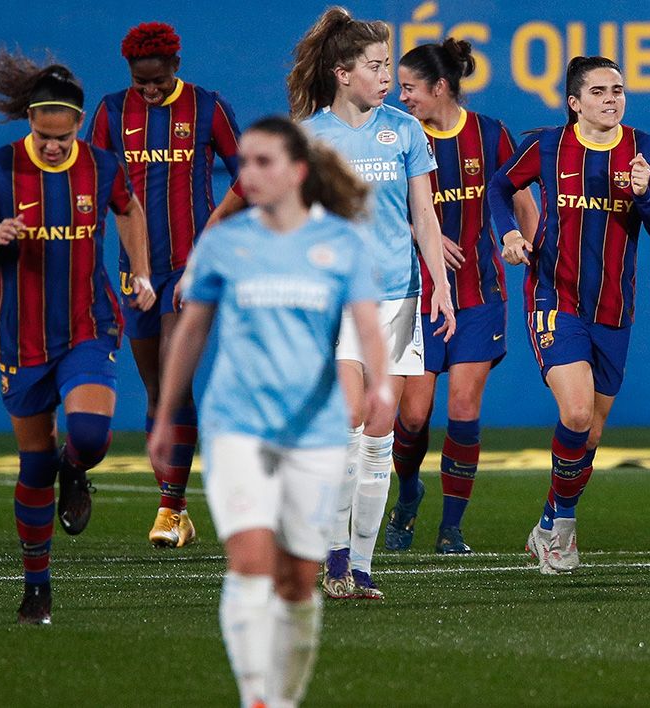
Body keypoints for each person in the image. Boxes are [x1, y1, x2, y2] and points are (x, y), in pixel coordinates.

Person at [149, 116, 387, 707]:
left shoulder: (343, 243)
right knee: (252, 561)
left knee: (298, 581)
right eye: (243, 162)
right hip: (238, 424)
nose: (247, 174)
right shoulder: (224, 244)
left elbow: (366, 326)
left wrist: (381, 385)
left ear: (298, 172)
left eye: (262, 162)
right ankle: (258, 696)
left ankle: (283, 694)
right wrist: (164, 414)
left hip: (314, 429)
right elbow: (191, 332)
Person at [0, 49, 156, 624]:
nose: (51, 146)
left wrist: (140, 272)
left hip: (89, 326)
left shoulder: (100, 166)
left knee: (90, 435)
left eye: (62, 138)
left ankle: (79, 469)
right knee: (33, 466)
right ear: (31, 122)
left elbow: (131, 209)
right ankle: (36, 586)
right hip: (21, 340)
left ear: (76, 125)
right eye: (43, 136)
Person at [288, 6, 457, 600]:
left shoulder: (405, 131)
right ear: (341, 73)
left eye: (389, 66)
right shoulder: (311, 137)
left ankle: (359, 566)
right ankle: (332, 555)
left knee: (383, 429)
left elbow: (425, 217)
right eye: (376, 66)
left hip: (399, 298)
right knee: (349, 420)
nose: (387, 77)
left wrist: (440, 286)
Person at [489, 55, 650, 575]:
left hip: (614, 309)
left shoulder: (646, 150)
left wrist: (642, 197)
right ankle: (565, 524)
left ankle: (548, 518)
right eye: (598, 91)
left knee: (590, 434)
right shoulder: (547, 145)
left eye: (618, 89)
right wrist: (508, 233)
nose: (611, 98)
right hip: (554, 297)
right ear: (574, 103)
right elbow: (499, 187)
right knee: (574, 414)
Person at [87, 21, 246, 548]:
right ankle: (176, 507)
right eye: (140, 82)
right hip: (137, 274)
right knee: (155, 388)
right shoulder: (111, 113)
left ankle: (169, 507)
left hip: (191, 269)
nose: (149, 91)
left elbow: (249, 176)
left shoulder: (207, 107)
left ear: (175, 68)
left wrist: (213, 237)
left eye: (157, 81)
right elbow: (90, 182)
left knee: (175, 384)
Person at [385, 38, 539, 555]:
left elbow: (522, 201)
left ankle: (451, 528)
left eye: (410, 88)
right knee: (411, 416)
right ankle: (408, 493)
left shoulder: (490, 134)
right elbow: (381, 210)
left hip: (480, 292)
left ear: (440, 87)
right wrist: (420, 233)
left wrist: (532, 253)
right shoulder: (399, 136)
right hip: (418, 294)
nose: (402, 97)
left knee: (464, 404)